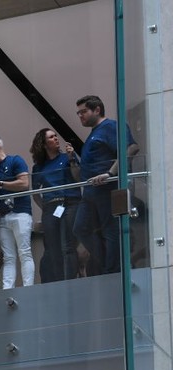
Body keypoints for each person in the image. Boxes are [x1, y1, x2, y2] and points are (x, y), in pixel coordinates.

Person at [72, 95, 139, 275]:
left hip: (108, 187)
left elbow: (130, 148)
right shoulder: (94, 134)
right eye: (78, 113)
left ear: (97, 110)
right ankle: (108, 264)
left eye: (84, 111)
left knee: (111, 230)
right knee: (80, 228)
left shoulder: (110, 127)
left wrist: (110, 173)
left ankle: (114, 270)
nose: (80, 116)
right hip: (91, 191)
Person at [0, 134, 34, 289]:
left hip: (21, 213)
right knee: (8, 257)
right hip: (3, 217)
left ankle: (29, 289)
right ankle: (7, 291)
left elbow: (24, 184)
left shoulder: (15, 161)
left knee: (24, 253)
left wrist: (0, 184)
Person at [30, 128, 82, 282]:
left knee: (68, 246)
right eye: (51, 137)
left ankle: (70, 280)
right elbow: (34, 192)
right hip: (51, 207)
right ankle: (58, 281)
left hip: (70, 202)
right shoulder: (39, 167)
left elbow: (78, 177)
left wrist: (72, 158)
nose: (56, 138)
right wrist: (44, 206)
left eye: (55, 135)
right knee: (53, 248)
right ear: (44, 144)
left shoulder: (67, 158)